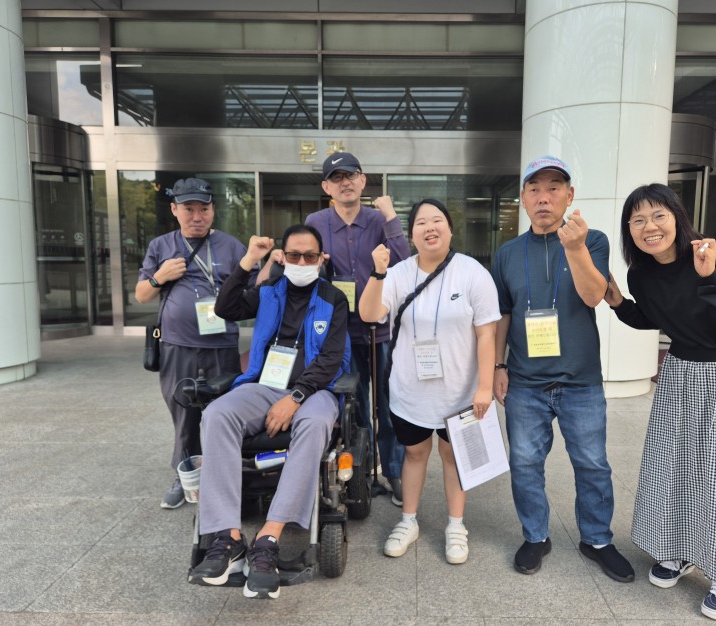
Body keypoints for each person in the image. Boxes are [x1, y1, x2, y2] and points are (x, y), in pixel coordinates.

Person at [604, 183, 716, 621]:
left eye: (659, 215)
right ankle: (682, 549)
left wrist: (709, 277)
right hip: (680, 374)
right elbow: (653, 317)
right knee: (675, 465)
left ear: (677, 217)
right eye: (638, 219)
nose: (649, 226)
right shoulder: (641, 274)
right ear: (629, 230)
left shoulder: (713, 252)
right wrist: (617, 301)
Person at [491, 155, 634, 582]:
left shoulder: (593, 241)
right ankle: (535, 535)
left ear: (569, 196)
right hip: (525, 383)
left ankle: (597, 539)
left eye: (553, 188)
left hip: (580, 381)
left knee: (592, 464)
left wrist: (575, 247)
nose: (544, 197)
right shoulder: (507, 254)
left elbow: (593, 295)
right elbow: (503, 314)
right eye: (534, 189)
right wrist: (498, 365)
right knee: (524, 463)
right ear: (523, 199)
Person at [188, 224, 350, 600]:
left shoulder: (334, 299)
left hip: (316, 391)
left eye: (310, 256)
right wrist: (249, 260)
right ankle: (229, 537)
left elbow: (331, 359)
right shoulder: (268, 291)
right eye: (294, 255)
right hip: (264, 385)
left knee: (314, 424)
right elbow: (225, 308)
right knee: (217, 414)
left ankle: (269, 537)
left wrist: (296, 396)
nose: (302, 262)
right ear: (283, 257)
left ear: (321, 259)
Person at [359, 198, 500, 565]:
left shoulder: (473, 273)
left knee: (454, 457)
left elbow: (487, 334)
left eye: (437, 220)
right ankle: (408, 521)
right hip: (411, 391)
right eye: (421, 223)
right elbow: (370, 314)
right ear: (412, 235)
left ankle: (456, 525)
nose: (429, 227)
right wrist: (377, 273)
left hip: (460, 391)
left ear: (450, 230)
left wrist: (485, 387)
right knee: (414, 453)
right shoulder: (398, 273)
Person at [270, 151, 410, 504]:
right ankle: (361, 471)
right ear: (326, 187)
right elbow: (304, 264)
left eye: (351, 175)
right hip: (337, 332)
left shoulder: (379, 219)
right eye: (337, 178)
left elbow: (404, 261)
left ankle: (394, 472)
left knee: (389, 405)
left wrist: (391, 215)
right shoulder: (315, 221)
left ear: (363, 181)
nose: (345, 182)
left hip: (379, 330)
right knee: (354, 405)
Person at [136, 178, 252, 510]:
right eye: (189, 209)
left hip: (221, 346)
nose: (197, 216)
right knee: (184, 415)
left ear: (213, 210)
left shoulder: (231, 246)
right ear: (175, 210)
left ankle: (226, 476)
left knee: (224, 413)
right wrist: (160, 276)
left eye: (204, 209)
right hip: (177, 345)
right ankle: (184, 475)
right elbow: (142, 294)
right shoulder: (161, 246)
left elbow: (254, 288)